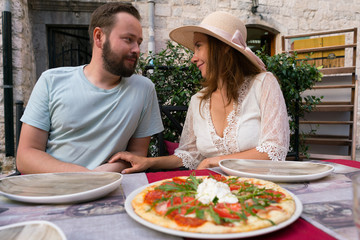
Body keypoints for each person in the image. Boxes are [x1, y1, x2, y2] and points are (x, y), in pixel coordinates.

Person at [109, 11, 290, 173]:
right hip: (210, 193)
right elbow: (190, 155)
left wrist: (213, 162)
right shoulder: (198, 101)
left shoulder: (263, 84)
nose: (193, 58)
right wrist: (148, 162)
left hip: (261, 192)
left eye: (198, 46)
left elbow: (274, 150)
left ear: (224, 47)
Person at [16, 3, 164, 174]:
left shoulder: (144, 89)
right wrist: (86, 177)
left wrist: (102, 176)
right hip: (53, 188)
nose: (137, 50)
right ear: (99, 37)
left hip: (111, 189)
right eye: (128, 39)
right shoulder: (51, 81)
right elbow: (26, 156)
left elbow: (137, 154)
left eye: (139, 42)